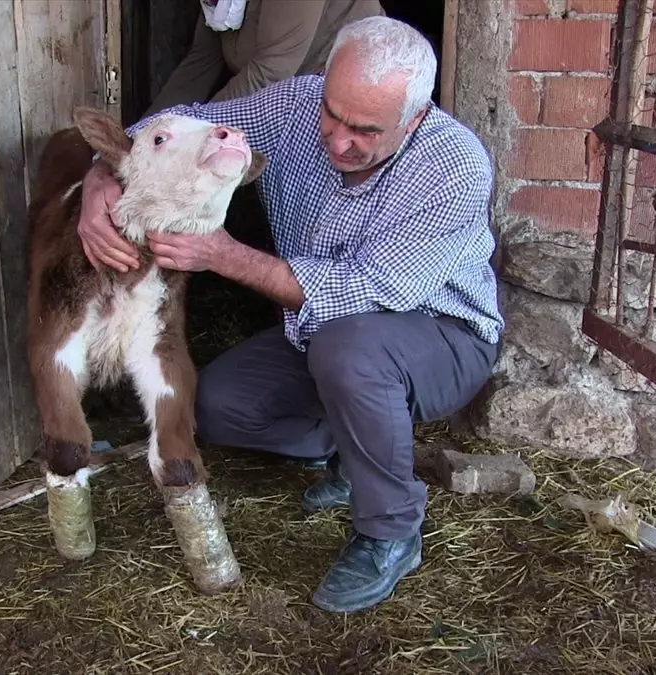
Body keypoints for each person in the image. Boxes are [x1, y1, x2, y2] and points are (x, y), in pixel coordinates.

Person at [77, 16, 503, 614]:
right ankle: (358, 449)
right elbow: (183, 129)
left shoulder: (453, 167)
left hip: (441, 335)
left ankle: (391, 529)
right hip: (319, 331)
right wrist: (103, 173)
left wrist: (223, 255)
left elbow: (362, 292)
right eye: (334, 113)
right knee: (214, 404)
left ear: (414, 119)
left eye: (365, 130)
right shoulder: (299, 104)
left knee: (351, 352)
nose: (338, 138)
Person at [145, 0, 385, 116]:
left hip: (354, 100)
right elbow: (201, 62)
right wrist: (140, 136)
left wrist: (185, 135)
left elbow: (270, 73)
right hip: (281, 95)